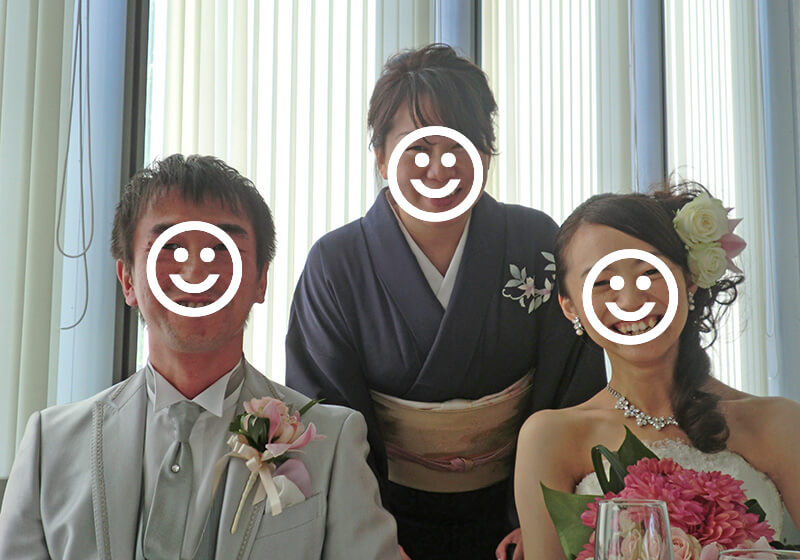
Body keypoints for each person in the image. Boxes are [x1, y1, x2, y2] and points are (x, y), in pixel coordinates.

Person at [285, 44, 605, 560]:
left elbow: (573, 392)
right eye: (418, 148)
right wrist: (367, 536)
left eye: (460, 146)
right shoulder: (336, 263)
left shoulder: (535, 241)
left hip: (519, 517)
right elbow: (324, 416)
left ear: (486, 155)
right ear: (381, 156)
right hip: (385, 520)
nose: (439, 169)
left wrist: (545, 516)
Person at [0, 154, 400, 560]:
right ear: (127, 279)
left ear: (261, 279)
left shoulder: (331, 443)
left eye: (222, 249)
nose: (194, 273)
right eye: (170, 247)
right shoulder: (50, 446)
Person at [514, 183, 800, 559]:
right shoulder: (550, 437)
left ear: (689, 280)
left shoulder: (778, 423)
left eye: (650, 272)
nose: (631, 300)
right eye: (602, 283)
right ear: (570, 307)